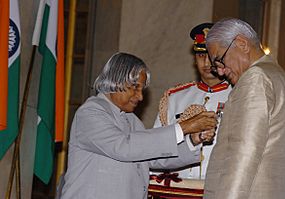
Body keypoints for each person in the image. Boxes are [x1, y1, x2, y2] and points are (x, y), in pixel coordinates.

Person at [60, 52, 218, 199]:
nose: (140, 96)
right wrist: (183, 127)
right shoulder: (91, 112)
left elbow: (154, 158)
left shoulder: (132, 120)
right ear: (116, 80)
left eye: (142, 89)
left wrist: (192, 140)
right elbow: (123, 147)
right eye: (135, 87)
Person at [203, 18, 285, 199]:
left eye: (220, 61)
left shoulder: (255, 78)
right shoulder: (279, 77)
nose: (221, 72)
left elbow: (242, 154)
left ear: (241, 44)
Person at [151, 23, 232, 181]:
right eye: (201, 56)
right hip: (178, 189)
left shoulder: (239, 95)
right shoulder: (175, 97)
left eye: (212, 56)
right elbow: (157, 147)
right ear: (194, 59)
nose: (207, 64)